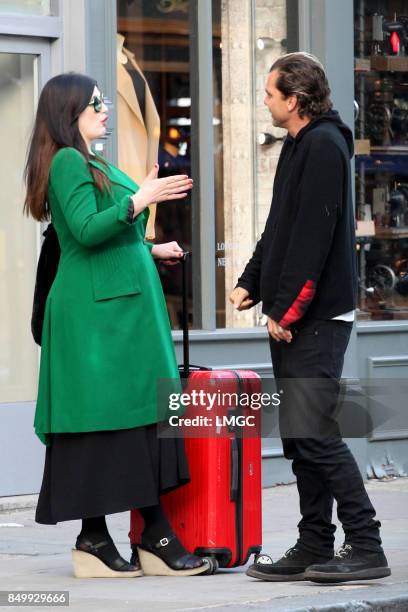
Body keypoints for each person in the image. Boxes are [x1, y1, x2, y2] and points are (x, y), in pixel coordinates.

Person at [24, 72, 209, 579]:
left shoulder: (90, 161)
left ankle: (118, 536)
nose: (105, 110)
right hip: (96, 318)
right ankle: (125, 536)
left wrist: (150, 248)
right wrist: (140, 198)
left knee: (130, 421)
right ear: (69, 112)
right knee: (105, 421)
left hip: (118, 312)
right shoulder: (66, 161)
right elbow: (82, 231)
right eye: (95, 103)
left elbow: (108, 238)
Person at [229, 53, 391, 583]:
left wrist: (285, 309)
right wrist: (252, 281)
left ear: (294, 100)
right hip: (294, 316)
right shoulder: (298, 145)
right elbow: (279, 225)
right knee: (300, 436)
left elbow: (313, 240)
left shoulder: (323, 145)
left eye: (271, 94)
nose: (266, 102)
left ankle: (365, 543)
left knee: (316, 431)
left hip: (316, 318)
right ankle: (314, 541)